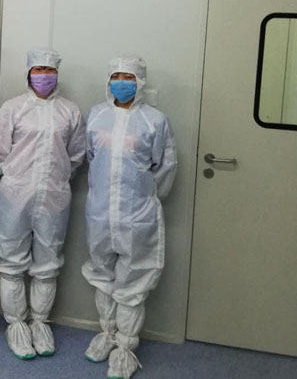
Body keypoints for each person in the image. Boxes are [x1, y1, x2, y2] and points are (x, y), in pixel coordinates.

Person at [82, 56, 177, 378]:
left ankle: (125, 346)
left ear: (140, 82)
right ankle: (107, 333)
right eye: (116, 76)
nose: (121, 83)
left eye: (129, 77)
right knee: (102, 274)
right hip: (99, 212)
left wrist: (144, 199)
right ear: (108, 81)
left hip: (138, 213)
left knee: (133, 280)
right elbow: (91, 156)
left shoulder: (155, 121)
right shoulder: (97, 115)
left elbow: (165, 167)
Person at [0, 48, 86, 359]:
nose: (44, 75)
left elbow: (76, 156)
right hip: (15, 195)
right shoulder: (12, 108)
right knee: (11, 262)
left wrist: (54, 179)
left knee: (48, 263)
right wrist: (22, 177)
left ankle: (40, 323)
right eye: (38, 69)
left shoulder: (70, 111)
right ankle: (16, 324)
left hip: (55, 195)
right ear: (29, 73)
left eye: (49, 70)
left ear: (57, 74)